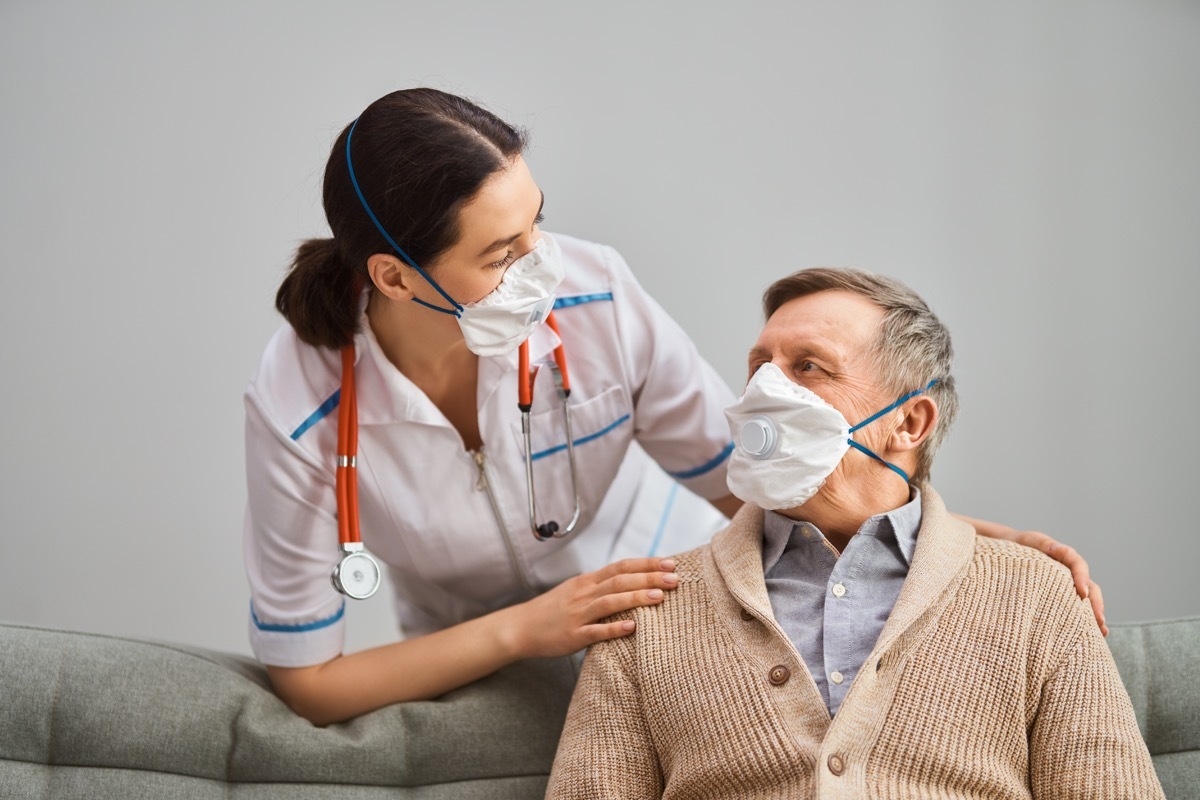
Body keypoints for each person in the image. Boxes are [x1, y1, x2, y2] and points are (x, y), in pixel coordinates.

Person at [243, 89, 1100, 726]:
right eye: (504, 254)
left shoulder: (595, 296)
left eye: (538, 225)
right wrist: (521, 633)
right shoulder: (298, 406)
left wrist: (962, 539)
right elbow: (310, 681)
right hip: (474, 656)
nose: (545, 267)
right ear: (393, 277)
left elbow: (759, 481)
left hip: (676, 605)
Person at [546, 268, 1161, 799]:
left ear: (910, 421)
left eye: (807, 367)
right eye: (760, 366)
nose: (766, 390)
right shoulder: (647, 613)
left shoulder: (1038, 599)